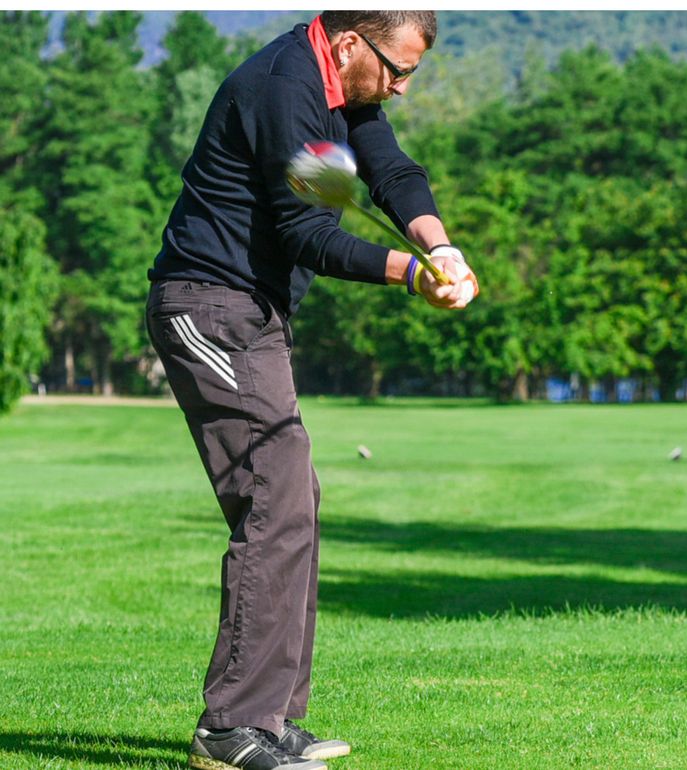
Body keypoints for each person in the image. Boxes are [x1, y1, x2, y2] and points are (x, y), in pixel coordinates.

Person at [145, 11, 477, 770]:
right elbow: (308, 235)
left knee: (294, 497)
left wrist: (442, 247)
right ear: (352, 42)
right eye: (398, 70)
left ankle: (272, 719)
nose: (400, 88)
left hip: (256, 314)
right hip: (208, 305)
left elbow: (390, 171)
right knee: (275, 494)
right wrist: (411, 274)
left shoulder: (342, 85)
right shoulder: (284, 87)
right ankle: (232, 728)